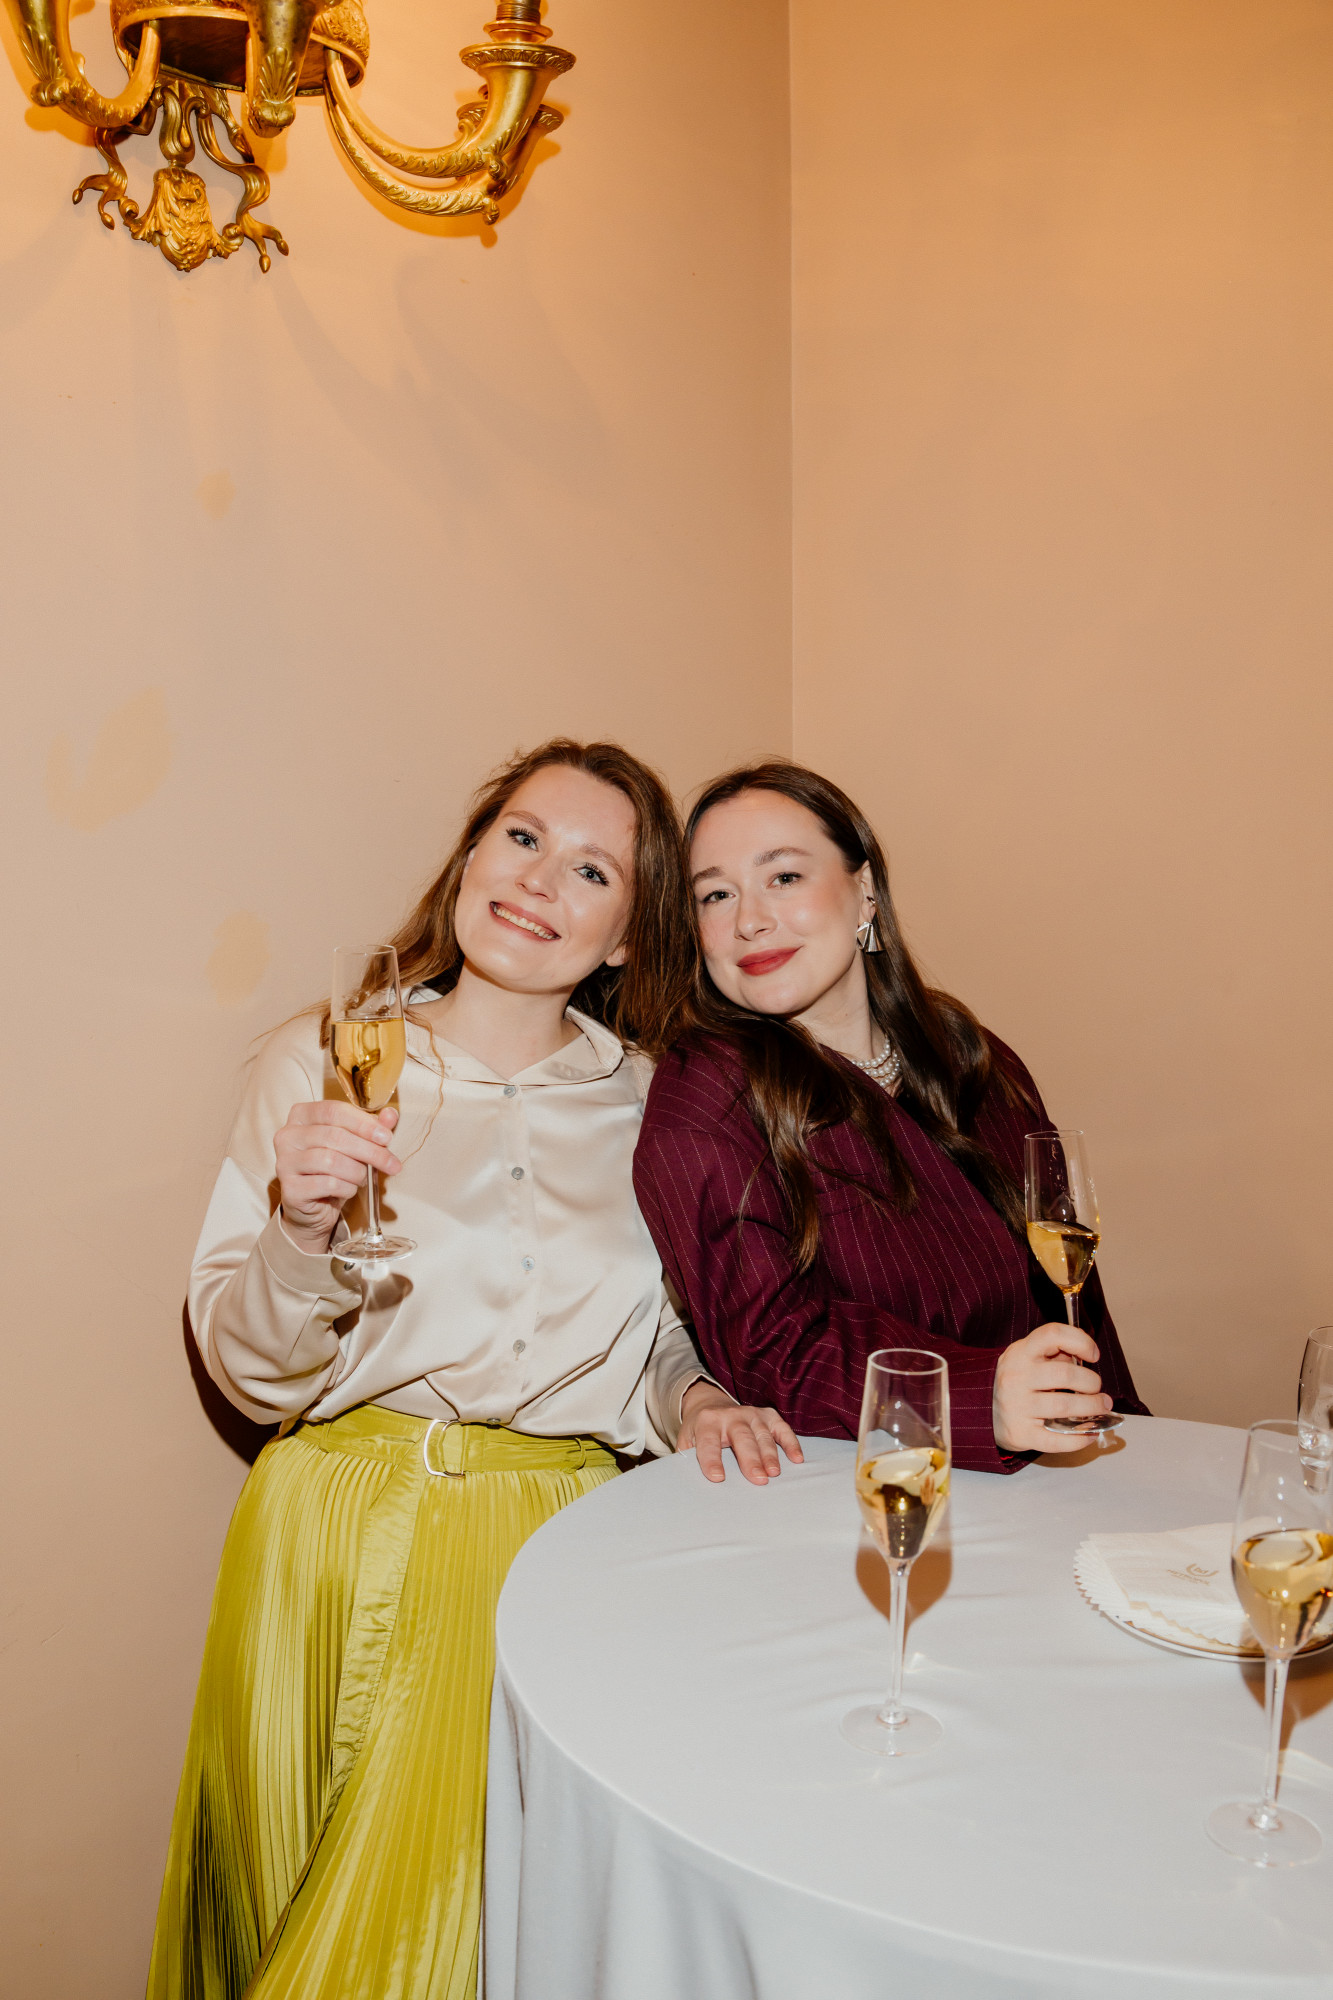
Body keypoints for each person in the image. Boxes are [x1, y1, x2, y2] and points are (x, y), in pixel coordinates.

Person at [147, 739, 795, 2000]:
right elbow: (251, 1370)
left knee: (439, 1942)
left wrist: (697, 1395)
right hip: (322, 1540)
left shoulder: (654, 1102)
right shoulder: (324, 1061)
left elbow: (654, 1334)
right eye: (522, 836)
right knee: (285, 1911)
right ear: (471, 854)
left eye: (592, 869)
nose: (541, 878)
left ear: (628, 935)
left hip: (544, 1554)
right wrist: (300, 1226)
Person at [632, 761, 1147, 1475]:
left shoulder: (972, 1056)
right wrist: (975, 1400)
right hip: (861, 1494)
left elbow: (1075, 1298)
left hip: (1060, 1477)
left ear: (865, 889)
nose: (749, 920)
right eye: (715, 894)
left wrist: (1131, 1441)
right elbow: (770, 1350)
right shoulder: (704, 1093)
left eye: (784, 876)